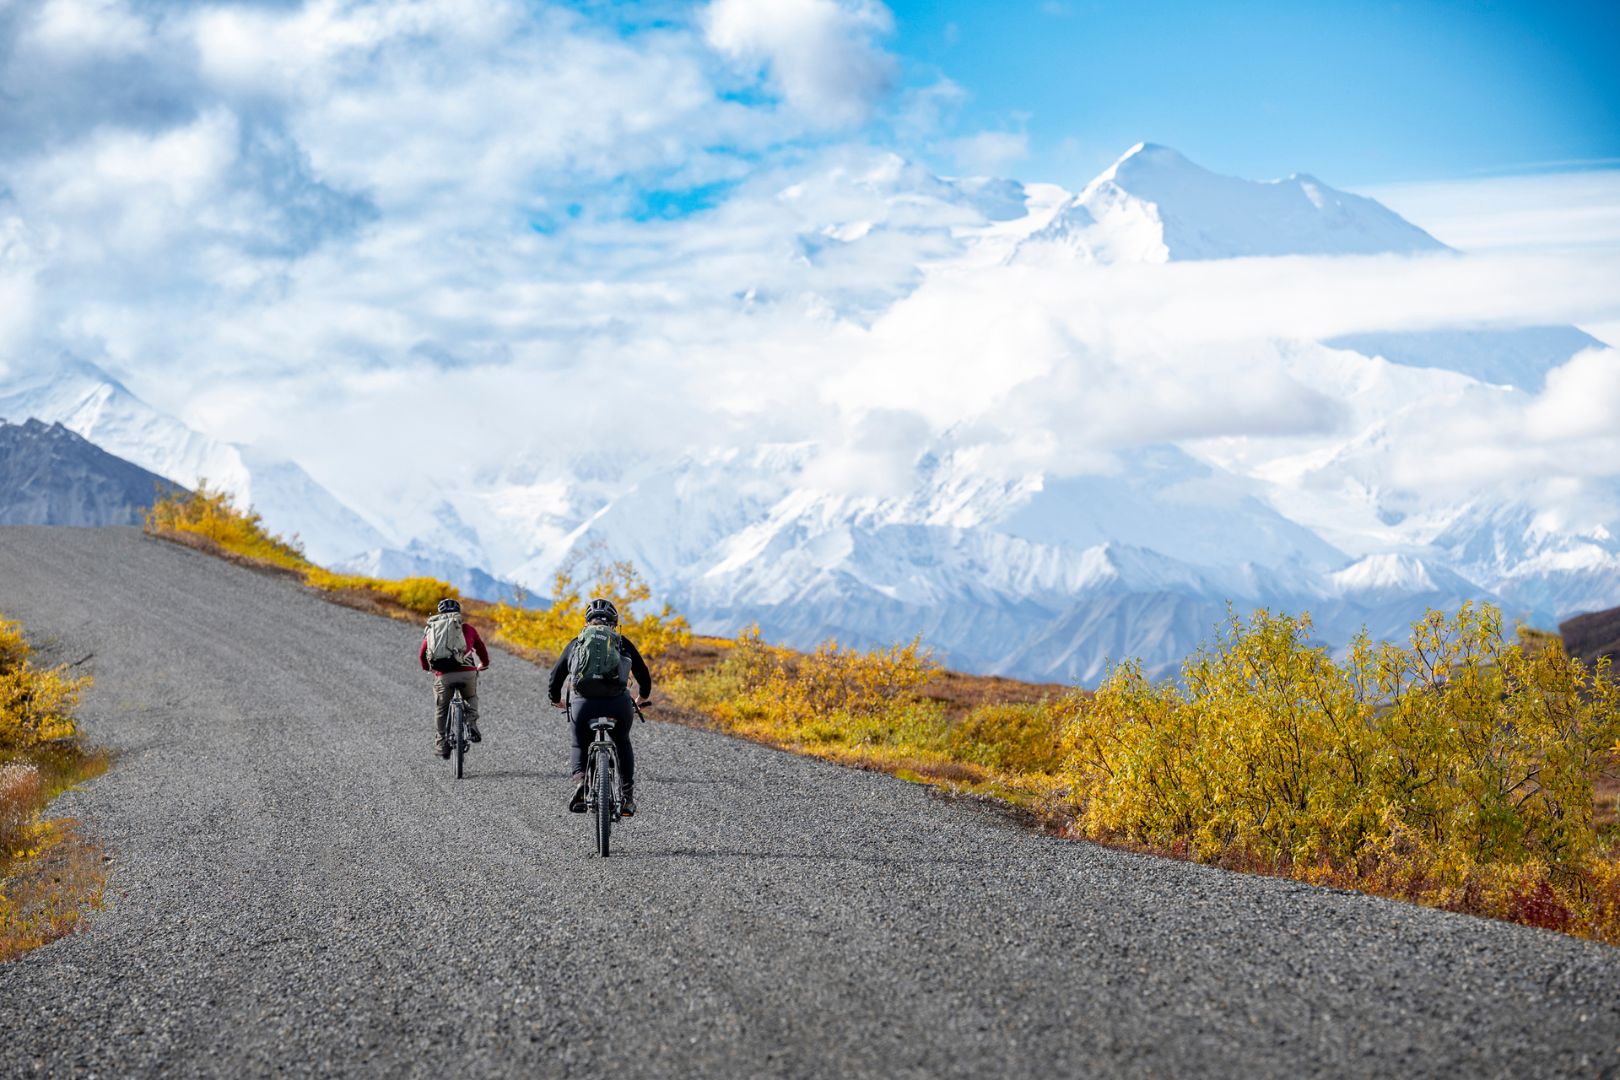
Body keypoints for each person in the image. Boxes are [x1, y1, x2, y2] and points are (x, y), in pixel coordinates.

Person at [548, 597, 651, 817]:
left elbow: (556, 676)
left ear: (587, 623)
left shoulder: (577, 642)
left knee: (579, 743)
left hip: (583, 705)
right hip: (618, 704)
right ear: (614, 624)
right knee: (622, 741)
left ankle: (581, 781)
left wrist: (556, 699)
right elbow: (644, 676)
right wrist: (641, 699)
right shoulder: (621, 642)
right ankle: (627, 796)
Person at [419, 598, 490, 758]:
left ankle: (441, 742)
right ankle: (471, 722)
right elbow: (481, 649)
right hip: (467, 672)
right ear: (459, 613)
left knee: (442, 708)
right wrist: (484, 663)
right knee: (471, 696)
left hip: (444, 676)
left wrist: (427, 668)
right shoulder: (468, 628)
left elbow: (422, 653)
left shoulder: (433, 630)